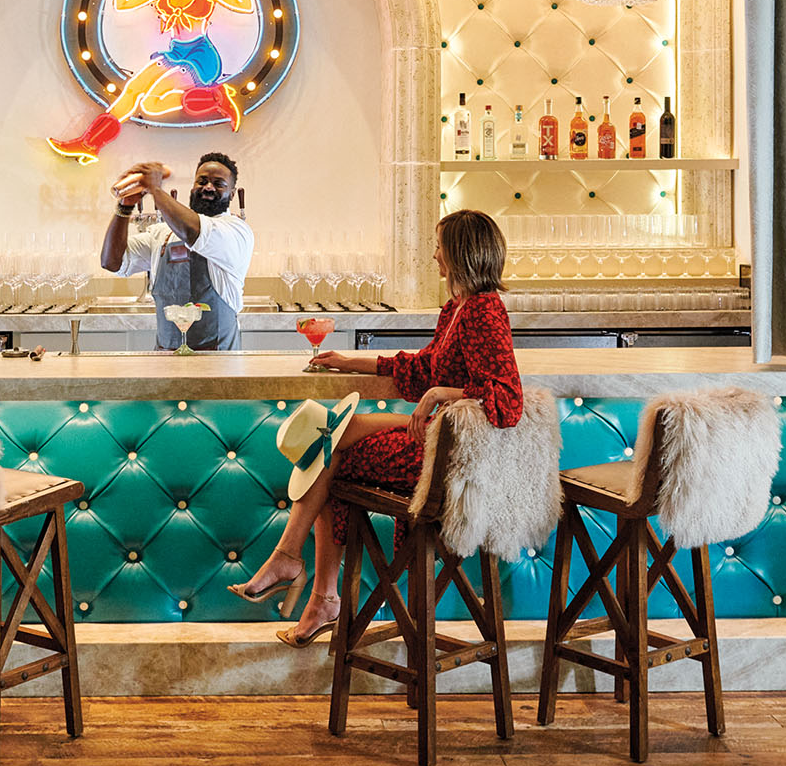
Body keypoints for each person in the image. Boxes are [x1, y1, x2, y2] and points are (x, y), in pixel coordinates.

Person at [226, 210, 523, 645]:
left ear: (460, 253)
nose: (434, 254)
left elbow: (508, 402)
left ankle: (305, 576)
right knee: (331, 441)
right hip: (442, 439)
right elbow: (421, 369)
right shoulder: (457, 309)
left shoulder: (483, 311)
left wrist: (443, 394)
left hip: (458, 458)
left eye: (439, 245)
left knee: (332, 453)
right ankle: (306, 579)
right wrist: (351, 361)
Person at [100, 153, 253, 351]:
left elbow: (192, 231)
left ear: (232, 194)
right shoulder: (162, 233)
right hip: (166, 363)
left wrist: (154, 189)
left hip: (218, 365)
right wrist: (125, 206)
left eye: (219, 183)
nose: (208, 187)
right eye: (202, 181)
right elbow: (112, 262)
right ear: (192, 187)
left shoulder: (235, 230)